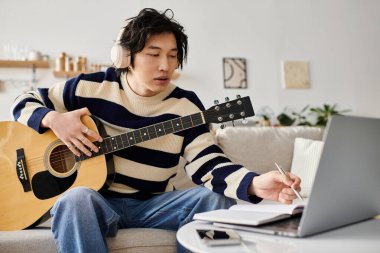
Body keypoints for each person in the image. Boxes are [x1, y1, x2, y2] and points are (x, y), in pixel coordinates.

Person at [11, 8, 301, 253]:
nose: (166, 66)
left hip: (153, 204)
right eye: (154, 54)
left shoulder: (186, 106)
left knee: (213, 199)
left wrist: (254, 183)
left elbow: (209, 164)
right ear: (126, 56)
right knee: (75, 199)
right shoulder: (90, 87)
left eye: (173, 56)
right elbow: (23, 99)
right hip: (97, 203)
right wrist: (52, 119)